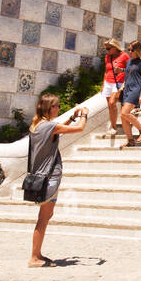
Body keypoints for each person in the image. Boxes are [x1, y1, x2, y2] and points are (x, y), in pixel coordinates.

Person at [27, 93, 88, 267]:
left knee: (44, 216)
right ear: (50, 108)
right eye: (57, 106)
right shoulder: (48, 126)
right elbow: (80, 128)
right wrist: (83, 114)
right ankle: (34, 257)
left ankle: (37, 254)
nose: (59, 108)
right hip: (49, 177)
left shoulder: (38, 125)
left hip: (41, 176)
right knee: (43, 218)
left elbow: (57, 129)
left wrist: (71, 117)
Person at [119, 41, 141, 147]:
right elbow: (128, 75)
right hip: (127, 90)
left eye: (132, 50)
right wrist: (123, 86)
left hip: (135, 90)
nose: (130, 52)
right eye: (129, 49)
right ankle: (130, 140)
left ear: (137, 50)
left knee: (124, 113)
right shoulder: (129, 62)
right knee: (123, 117)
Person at [101, 39, 129, 136]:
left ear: (115, 47)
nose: (107, 50)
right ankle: (113, 126)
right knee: (110, 105)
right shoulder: (107, 57)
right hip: (108, 82)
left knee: (113, 103)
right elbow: (106, 71)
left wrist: (121, 70)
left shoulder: (124, 56)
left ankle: (113, 126)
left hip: (118, 82)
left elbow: (131, 69)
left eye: (108, 48)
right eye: (106, 49)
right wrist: (103, 84)